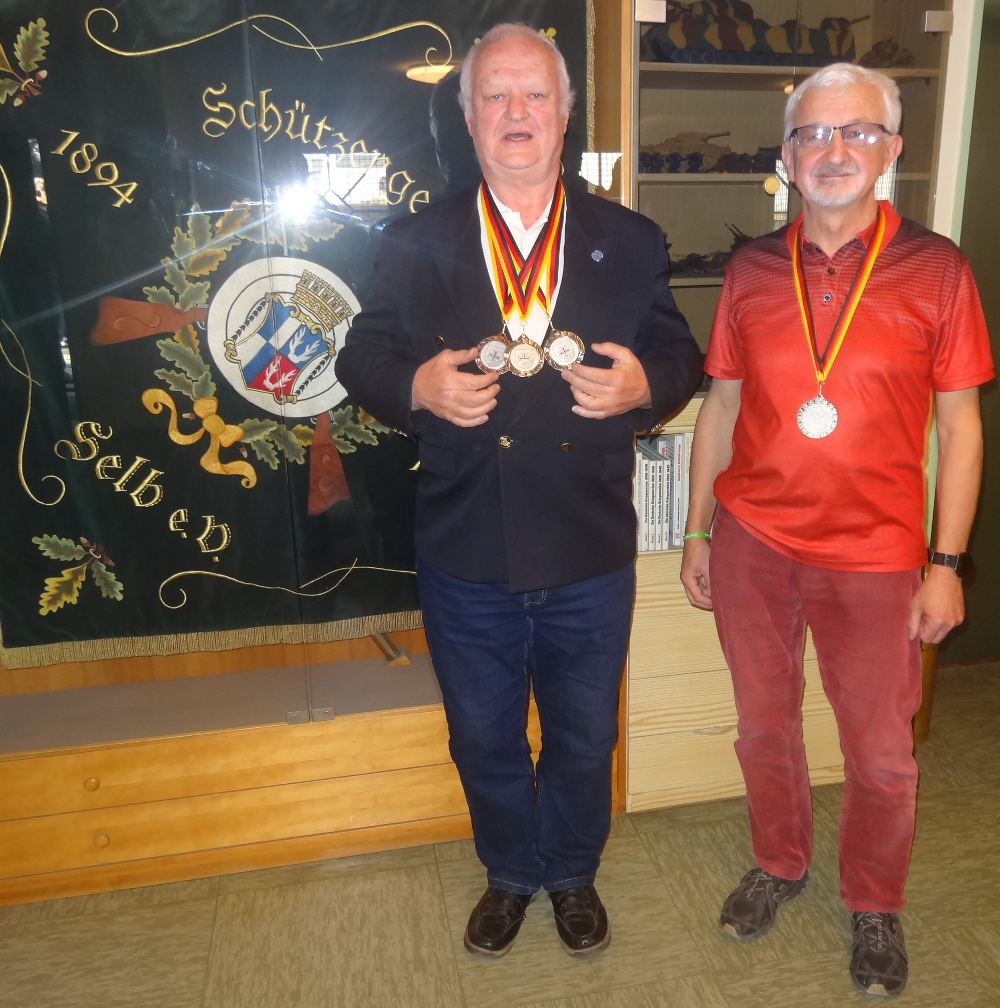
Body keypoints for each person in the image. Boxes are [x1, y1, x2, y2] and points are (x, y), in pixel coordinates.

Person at [337, 23, 701, 959]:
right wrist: (415, 388)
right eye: (494, 95)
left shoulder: (628, 239)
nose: (515, 112)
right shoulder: (415, 241)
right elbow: (362, 355)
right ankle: (509, 873)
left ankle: (571, 872)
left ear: (565, 113)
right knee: (482, 736)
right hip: (466, 542)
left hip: (587, 541)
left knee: (583, 736)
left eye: (534, 93)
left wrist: (645, 388)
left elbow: (679, 354)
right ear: (467, 118)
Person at [680, 62, 993, 999]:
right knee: (763, 728)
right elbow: (720, 406)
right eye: (813, 133)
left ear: (891, 149)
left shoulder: (938, 269)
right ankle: (778, 862)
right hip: (754, 545)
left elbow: (961, 428)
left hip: (877, 557)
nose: (833, 149)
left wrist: (947, 562)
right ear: (786, 155)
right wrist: (697, 532)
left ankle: (874, 900)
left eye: (857, 131)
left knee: (882, 753)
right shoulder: (750, 269)